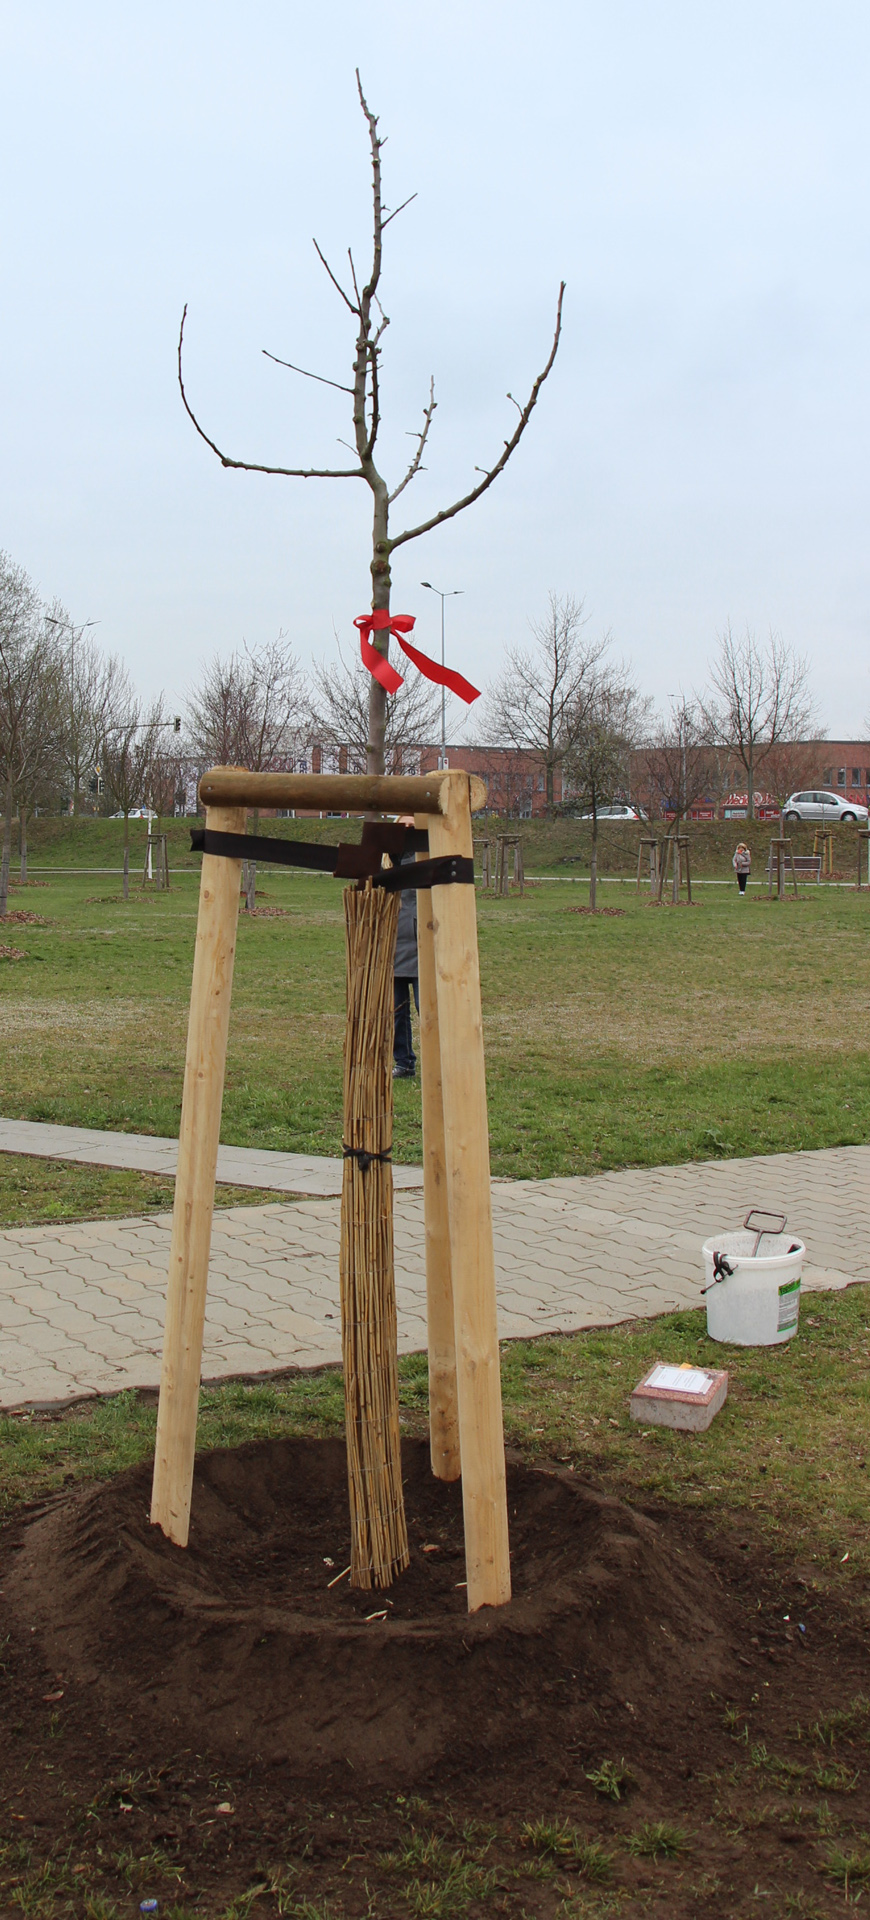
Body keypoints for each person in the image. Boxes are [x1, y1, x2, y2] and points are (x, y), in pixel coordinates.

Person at [393, 816, 419, 1078]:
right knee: (397, 1012)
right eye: (402, 827)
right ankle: (403, 1061)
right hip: (394, 944)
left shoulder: (425, 856)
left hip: (421, 944)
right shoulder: (388, 859)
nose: (407, 831)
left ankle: (443, 1058)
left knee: (429, 1010)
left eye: (411, 827)